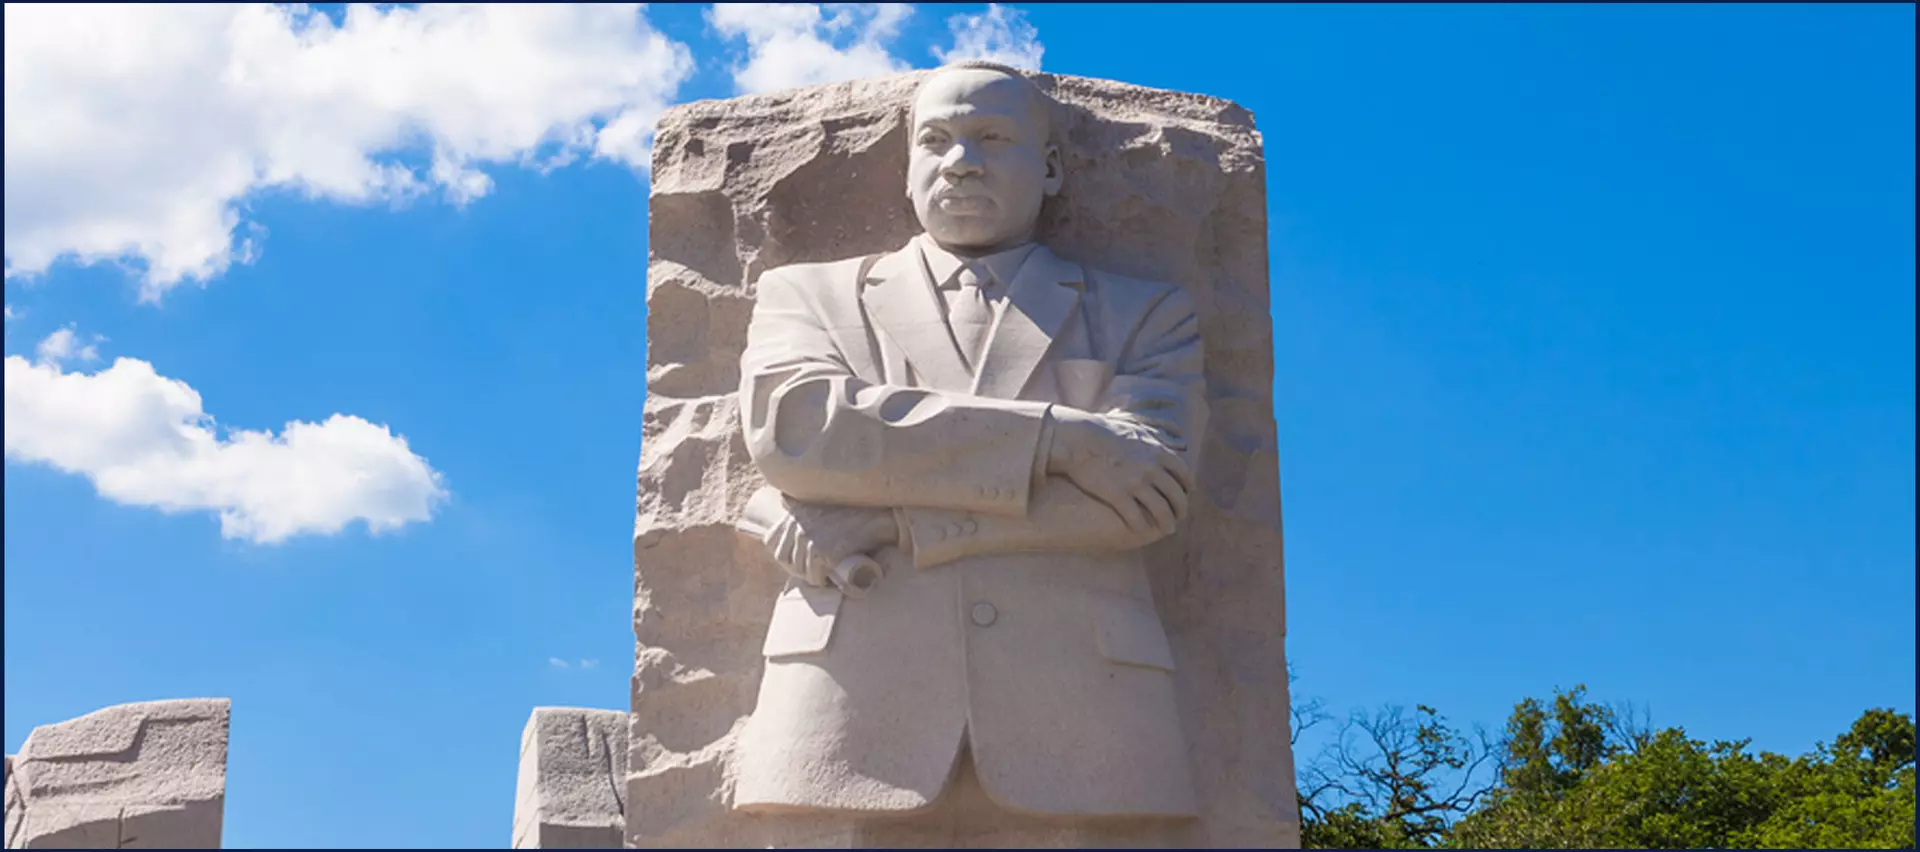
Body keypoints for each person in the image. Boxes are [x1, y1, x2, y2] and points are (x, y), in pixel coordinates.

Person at [732, 60, 1208, 846]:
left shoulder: (1143, 312)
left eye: (991, 137)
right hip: (845, 705)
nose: (962, 161)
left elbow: (1147, 493)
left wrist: (894, 518)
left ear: (1051, 167)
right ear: (909, 165)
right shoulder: (808, 296)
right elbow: (801, 431)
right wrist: (1064, 437)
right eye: (937, 140)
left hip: (1087, 714)